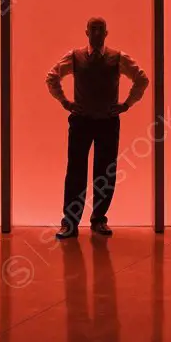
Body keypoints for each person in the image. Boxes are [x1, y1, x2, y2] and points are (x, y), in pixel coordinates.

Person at [45, 17, 149, 239]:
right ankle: (70, 223)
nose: (97, 32)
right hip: (81, 122)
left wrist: (127, 104)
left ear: (107, 32)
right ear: (86, 32)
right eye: (94, 28)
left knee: (105, 173)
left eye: (101, 29)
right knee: (75, 173)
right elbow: (52, 77)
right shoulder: (75, 57)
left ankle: (99, 219)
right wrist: (65, 102)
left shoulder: (117, 58)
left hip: (107, 122)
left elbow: (142, 79)